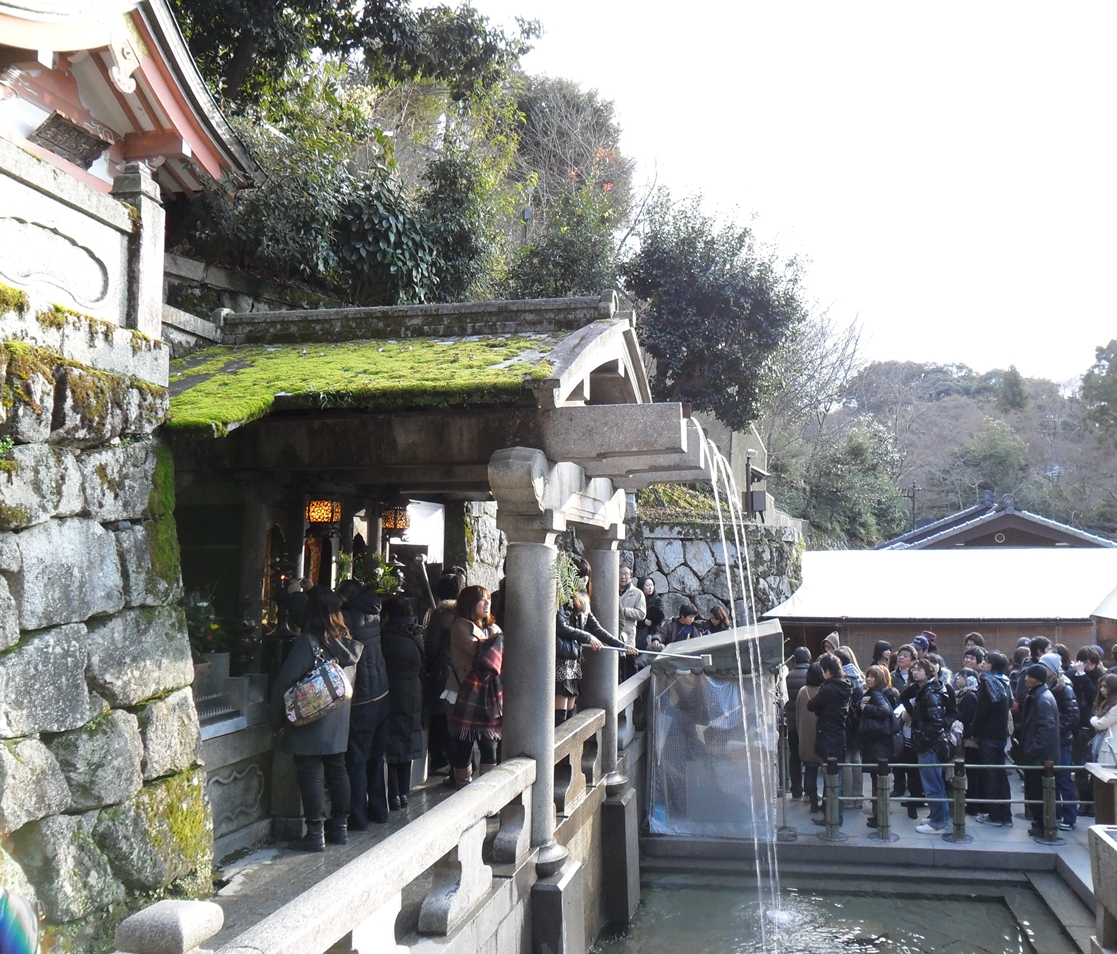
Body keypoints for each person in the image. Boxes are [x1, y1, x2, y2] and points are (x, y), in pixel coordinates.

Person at [271, 586, 363, 851]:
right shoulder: (347, 642)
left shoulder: (308, 642)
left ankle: (314, 833)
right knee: (337, 769)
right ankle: (340, 828)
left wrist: (274, 721)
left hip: (310, 717)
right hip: (339, 718)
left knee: (310, 772)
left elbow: (285, 682)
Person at [337, 579, 389, 830]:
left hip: (362, 698)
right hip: (382, 692)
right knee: (376, 759)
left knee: (356, 759)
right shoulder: (373, 612)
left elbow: (311, 618)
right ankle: (379, 810)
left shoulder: (347, 617)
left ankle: (357, 817)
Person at [445, 585, 503, 789]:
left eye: (488, 599)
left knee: (489, 743)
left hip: (489, 693)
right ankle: (462, 787)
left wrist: (496, 638)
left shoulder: (492, 629)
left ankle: (488, 789)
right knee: (465, 743)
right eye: (482, 600)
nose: (487, 603)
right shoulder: (461, 626)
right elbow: (483, 656)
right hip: (465, 692)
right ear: (470, 604)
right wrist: (498, 640)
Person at [556, 589, 635, 723]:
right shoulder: (562, 600)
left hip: (574, 662)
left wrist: (621, 645)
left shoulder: (585, 603)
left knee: (570, 711)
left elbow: (597, 629)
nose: (583, 581)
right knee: (560, 714)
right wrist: (587, 637)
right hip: (561, 659)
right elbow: (560, 627)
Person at [380, 596, 425, 810]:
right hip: (414, 691)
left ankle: (394, 794)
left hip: (393, 691)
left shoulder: (387, 636)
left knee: (394, 741)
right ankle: (403, 793)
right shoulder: (416, 634)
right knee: (407, 739)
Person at [899, 657, 950, 833]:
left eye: (919, 669)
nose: (914, 672)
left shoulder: (931, 693)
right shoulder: (924, 690)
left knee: (932, 784)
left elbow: (936, 723)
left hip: (929, 746)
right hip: (926, 744)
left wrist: (923, 741)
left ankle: (938, 822)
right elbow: (904, 695)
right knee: (933, 783)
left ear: (929, 672)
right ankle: (938, 818)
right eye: (914, 669)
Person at [424, 571, 465, 775]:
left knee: (442, 718)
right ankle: (462, 763)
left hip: (444, 672)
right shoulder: (465, 614)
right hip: (463, 671)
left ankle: (444, 761)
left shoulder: (441, 616)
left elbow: (430, 648)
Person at [807, 654, 852, 826]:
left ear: (828, 671)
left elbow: (811, 705)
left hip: (827, 736)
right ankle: (832, 814)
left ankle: (833, 817)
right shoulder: (845, 686)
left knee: (832, 779)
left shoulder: (828, 688)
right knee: (834, 777)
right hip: (839, 735)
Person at [972, 651, 1013, 827]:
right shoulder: (1004, 682)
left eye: (986, 662)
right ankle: (1005, 815)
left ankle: (994, 816)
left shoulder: (988, 683)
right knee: (1000, 775)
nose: (982, 664)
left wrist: (974, 730)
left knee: (991, 776)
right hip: (1000, 735)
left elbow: (981, 712)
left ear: (993, 666)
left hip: (989, 736)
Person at [1039, 651, 1079, 830]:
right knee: (1051, 779)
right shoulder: (1047, 685)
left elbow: (1073, 715)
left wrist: (1055, 731)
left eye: (1044, 666)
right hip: (1052, 740)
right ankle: (1055, 814)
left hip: (1061, 741)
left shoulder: (1064, 687)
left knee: (1063, 779)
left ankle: (1070, 817)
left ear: (1053, 669)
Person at [1019, 662, 1060, 835]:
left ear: (1037, 680)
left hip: (1040, 757)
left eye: (1029, 676)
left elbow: (1046, 729)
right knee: (1034, 792)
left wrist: (1032, 750)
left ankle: (1044, 826)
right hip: (1037, 755)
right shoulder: (1038, 695)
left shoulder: (1043, 699)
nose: (1025, 679)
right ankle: (1040, 823)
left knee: (1038, 793)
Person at [859, 664, 899, 829]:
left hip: (879, 744)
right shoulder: (875, 694)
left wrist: (865, 707)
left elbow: (884, 710)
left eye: (873, 677)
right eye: (868, 676)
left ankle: (880, 817)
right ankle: (878, 816)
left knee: (879, 782)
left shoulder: (877, 695)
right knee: (878, 782)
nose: (869, 679)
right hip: (878, 744)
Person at [796, 663, 825, 812]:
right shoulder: (825, 690)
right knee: (827, 773)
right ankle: (826, 803)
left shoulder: (803, 691)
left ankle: (813, 802)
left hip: (806, 735)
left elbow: (798, 714)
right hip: (823, 735)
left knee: (810, 770)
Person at [785, 647, 812, 801]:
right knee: (809, 758)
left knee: (794, 757)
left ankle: (796, 790)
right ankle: (810, 792)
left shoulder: (788, 677)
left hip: (793, 725)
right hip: (809, 726)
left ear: (794, 659)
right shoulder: (814, 675)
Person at [617, 564, 647, 680]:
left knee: (627, 669)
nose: (623, 577)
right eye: (620, 574)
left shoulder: (637, 593)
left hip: (627, 635)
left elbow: (641, 614)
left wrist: (624, 611)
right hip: (612, 634)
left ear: (631, 576)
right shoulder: (611, 590)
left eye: (626, 574)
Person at [1090, 673, 1117, 765]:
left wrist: (1093, 719)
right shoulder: (1107, 703)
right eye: (1101, 686)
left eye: (1105, 687)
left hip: (1112, 749)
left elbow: (1101, 724)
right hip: (1106, 747)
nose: (1102, 690)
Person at [635, 577, 665, 652]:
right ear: (641, 586)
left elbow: (659, 617)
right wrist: (643, 621)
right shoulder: (636, 598)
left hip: (652, 631)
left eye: (651, 585)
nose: (650, 587)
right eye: (647, 585)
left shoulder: (657, 600)